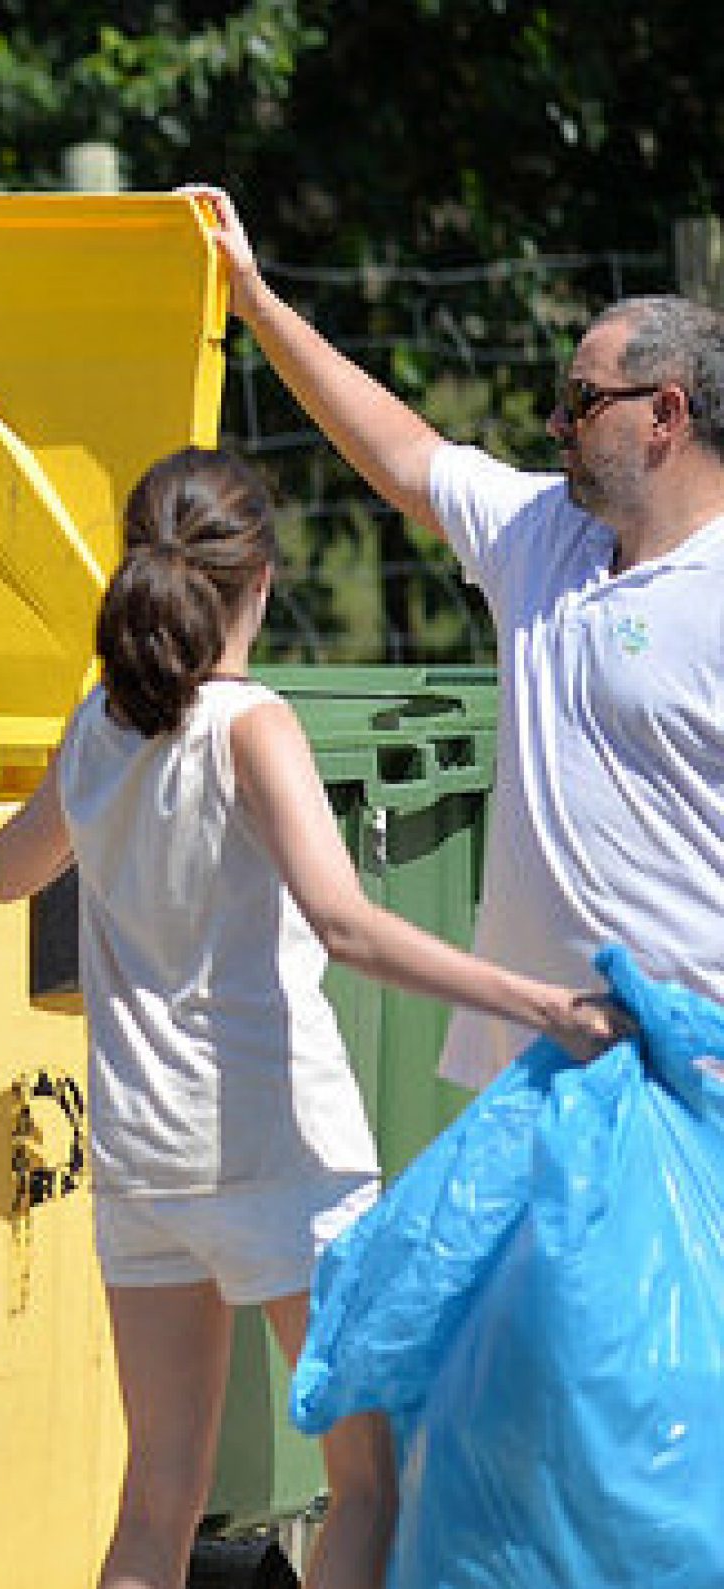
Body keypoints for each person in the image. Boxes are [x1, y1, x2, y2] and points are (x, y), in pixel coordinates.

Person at [0, 448, 621, 1589]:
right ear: (261, 582)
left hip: (143, 1159)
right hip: (281, 1148)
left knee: (156, 1499)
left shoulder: (99, 726)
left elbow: (0, 874)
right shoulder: (252, 725)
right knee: (368, 1480)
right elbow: (346, 924)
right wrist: (543, 1003)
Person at [192, 185, 724, 1090]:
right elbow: (402, 457)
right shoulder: (543, 534)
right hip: (533, 1070)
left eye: (584, 399)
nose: (557, 422)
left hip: (689, 1082)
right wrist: (253, 301)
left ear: (666, 414)